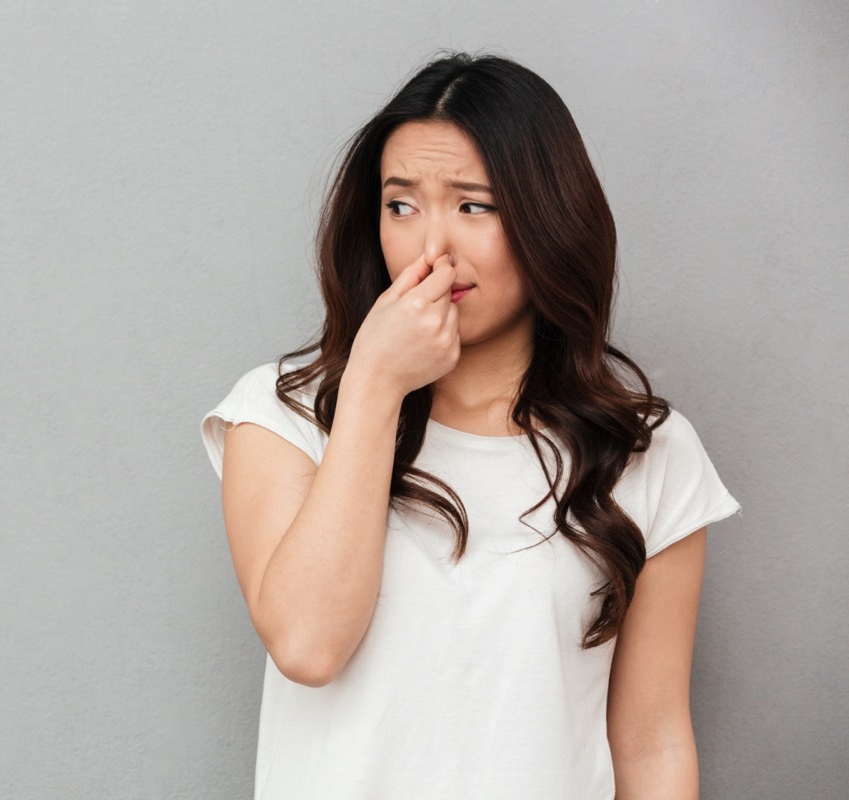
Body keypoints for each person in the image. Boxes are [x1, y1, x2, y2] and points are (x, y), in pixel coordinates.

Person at [199, 53, 739, 799]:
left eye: (473, 205)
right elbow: (308, 645)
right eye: (400, 205)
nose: (430, 249)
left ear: (549, 220)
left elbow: (652, 744)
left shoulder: (646, 453)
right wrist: (374, 387)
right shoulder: (281, 414)